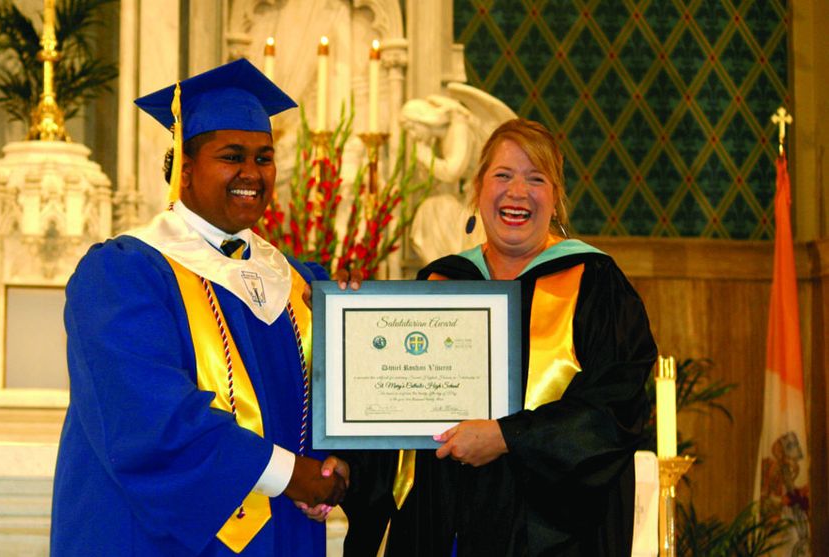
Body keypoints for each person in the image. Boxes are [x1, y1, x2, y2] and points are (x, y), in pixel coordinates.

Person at [50, 59, 350, 556]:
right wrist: (292, 475)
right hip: (153, 540)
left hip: (283, 538)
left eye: (264, 157)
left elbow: (336, 407)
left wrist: (339, 463)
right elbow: (151, 421)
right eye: (232, 156)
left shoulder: (300, 283)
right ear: (184, 170)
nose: (251, 174)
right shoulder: (125, 274)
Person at [338, 119, 657, 556]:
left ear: (557, 197)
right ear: (477, 188)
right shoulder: (440, 280)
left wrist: (508, 437)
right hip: (441, 528)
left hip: (551, 538)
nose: (517, 192)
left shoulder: (595, 283)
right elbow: (392, 416)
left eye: (536, 179)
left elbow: (616, 408)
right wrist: (342, 470)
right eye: (503, 175)